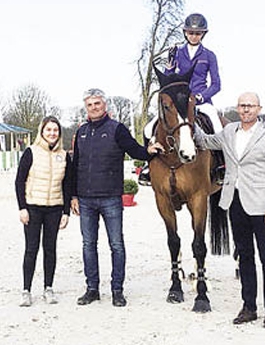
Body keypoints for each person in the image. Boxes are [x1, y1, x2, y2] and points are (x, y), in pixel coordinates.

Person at [193, 92, 265, 328]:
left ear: (259, 108)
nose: (245, 110)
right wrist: (188, 120)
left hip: (262, 205)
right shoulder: (229, 131)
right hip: (234, 202)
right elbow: (205, 142)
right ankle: (249, 307)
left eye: (250, 106)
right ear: (237, 108)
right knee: (244, 256)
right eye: (242, 106)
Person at [71, 88, 164, 307]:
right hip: (85, 198)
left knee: (116, 245)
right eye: (90, 105)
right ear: (86, 107)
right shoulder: (81, 132)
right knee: (88, 245)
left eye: (97, 104)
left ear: (105, 105)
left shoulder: (117, 129)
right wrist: (73, 196)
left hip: (111, 197)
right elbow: (75, 166)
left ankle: (117, 290)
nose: (94, 108)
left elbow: (135, 151)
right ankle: (92, 289)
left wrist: (151, 150)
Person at [144, 12, 225, 182]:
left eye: (197, 33)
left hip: (201, 100)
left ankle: (221, 166)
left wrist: (201, 97)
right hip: (178, 101)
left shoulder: (209, 55)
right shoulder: (175, 53)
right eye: (191, 33)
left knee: (218, 127)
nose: (194, 36)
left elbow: (216, 84)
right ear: (185, 33)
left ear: (203, 34)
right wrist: (168, 68)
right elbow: (167, 81)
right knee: (148, 128)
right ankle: (147, 164)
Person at [15, 116, 72, 307]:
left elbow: (67, 185)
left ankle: (48, 287)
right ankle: (26, 290)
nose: (52, 133)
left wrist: (66, 212)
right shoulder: (31, 152)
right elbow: (19, 181)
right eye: (48, 130)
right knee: (31, 249)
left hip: (54, 209)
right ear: (42, 131)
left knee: (50, 249)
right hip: (33, 207)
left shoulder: (64, 156)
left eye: (55, 130)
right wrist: (22, 207)